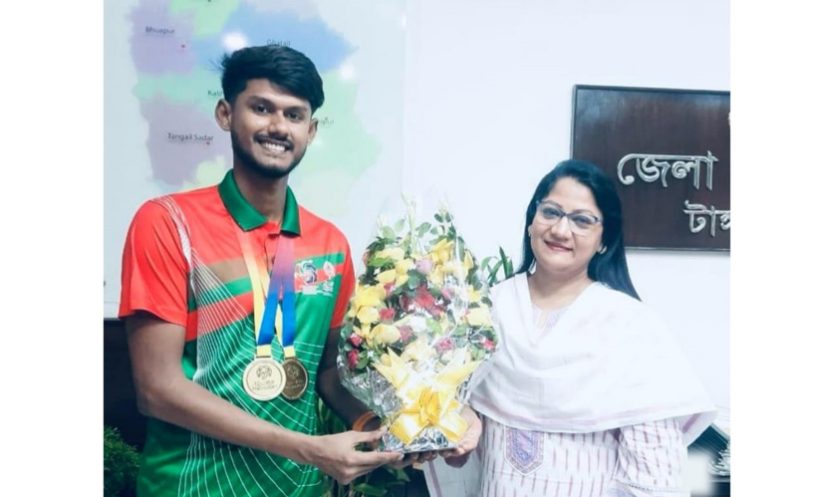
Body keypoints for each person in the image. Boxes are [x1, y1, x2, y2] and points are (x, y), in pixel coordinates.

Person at [119, 44, 406, 497]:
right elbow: (157, 389)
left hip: (298, 488)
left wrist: (381, 426)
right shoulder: (168, 223)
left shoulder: (330, 244)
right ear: (225, 114)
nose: (278, 126)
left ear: (311, 131)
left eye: (294, 115)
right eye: (261, 108)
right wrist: (307, 448)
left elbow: (328, 373)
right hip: (192, 487)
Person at [428, 160, 716, 497]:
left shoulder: (629, 325)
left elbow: (653, 471)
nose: (561, 230)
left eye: (582, 220)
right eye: (551, 212)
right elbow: (456, 436)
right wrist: (458, 426)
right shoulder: (485, 311)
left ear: (604, 240)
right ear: (531, 221)